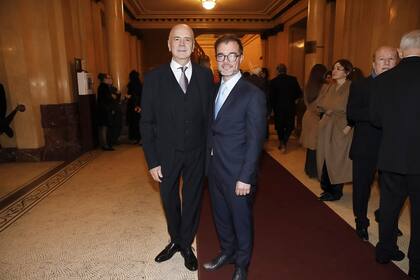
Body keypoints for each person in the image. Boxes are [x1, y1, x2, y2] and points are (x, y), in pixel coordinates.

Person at [140, 23, 214, 271]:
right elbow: (147, 122)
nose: (182, 44)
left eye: (188, 40)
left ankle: (185, 244)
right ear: (169, 44)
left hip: (197, 152)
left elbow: (210, 119)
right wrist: (152, 160)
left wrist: (210, 153)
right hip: (166, 154)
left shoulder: (205, 77)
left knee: (192, 199)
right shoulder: (153, 78)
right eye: (177, 39)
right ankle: (176, 239)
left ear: (193, 46)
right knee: (169, 199)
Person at [203, 34, 266, 280]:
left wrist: (246, 177)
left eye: (232, 55)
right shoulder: (214, 91)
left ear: (240, 58)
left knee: (241, 221)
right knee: (220, 217)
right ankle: (227, 252)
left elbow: (255, 140)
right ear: (216, 59)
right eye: (221, 55)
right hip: (215, 168)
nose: (227, 60)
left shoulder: (252, 94)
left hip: (239, 173)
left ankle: (242, 263)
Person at [370, 29, 420, 279]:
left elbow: (376, 119)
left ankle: (384, 250)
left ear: (401, 52)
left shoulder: (384, 79)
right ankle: (417, 265)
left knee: (388, 207)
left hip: (391, 156)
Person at [347, 46, 399, 241]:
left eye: (391, 59)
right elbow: (352, 113)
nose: (386, 63)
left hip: (393, 147)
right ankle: (361, 221)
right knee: (362, 188)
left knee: (391, 190)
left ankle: (386, 220)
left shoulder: (402, 86)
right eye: (381, 59)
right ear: (373, 63)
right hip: (365, 146)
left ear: (397, 62)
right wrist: (381, 114)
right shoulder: (360, 85)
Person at [316, 59, 354, 201]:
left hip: (341, 128)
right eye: (334, 68)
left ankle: (336, 192)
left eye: (338, 68)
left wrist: (349, 126)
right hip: (327, 127)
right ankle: (327, 188)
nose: (334, 71)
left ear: (347, 72)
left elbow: (354, 108)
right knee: (324, 157)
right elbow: (320, 105)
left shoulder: (351, 87)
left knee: (337, 159)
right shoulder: (329, 87)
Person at [300, 64, 328, 178]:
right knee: (316, 147)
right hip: (317, 119)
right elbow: (323, 106)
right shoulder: (325, 87)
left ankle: (308, 169)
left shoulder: (308, 86)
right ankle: (315, 171)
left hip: (308, 117)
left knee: (310, 146)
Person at [269, 63, 302, 153]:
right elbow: (299, 93)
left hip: (278, 108)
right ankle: (284, 140)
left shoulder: (273, 81)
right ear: (286, 70)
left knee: (279, 126)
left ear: (277, 71)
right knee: (290, 125)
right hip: (290, 106)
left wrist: (271, 108)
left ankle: (282, 141)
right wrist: (293, 99)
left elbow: (271, 96)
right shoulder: (293, 80)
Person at [96, 73, 115, 151]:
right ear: (104, 79)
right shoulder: (104, 87)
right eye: (108, 78)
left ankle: (104, 144)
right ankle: (105, 145)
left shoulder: (101, 86)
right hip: (104, 110)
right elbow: (106, 98)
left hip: (102, 109)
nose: (110, 79)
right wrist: (112, 96)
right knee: (104, 127)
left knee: (103, 127)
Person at [126, 70, 142, 144]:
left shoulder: (132, 85)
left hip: (134, 106)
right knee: (138, 123)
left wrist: (129, 97)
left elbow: (134, 96)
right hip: (138, 105)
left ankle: (137, 138)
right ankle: (139, 139)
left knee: (135, 123)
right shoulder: (139, 84)